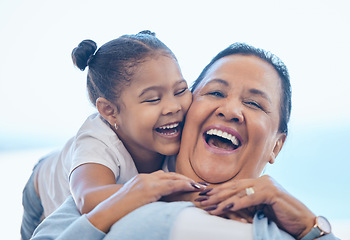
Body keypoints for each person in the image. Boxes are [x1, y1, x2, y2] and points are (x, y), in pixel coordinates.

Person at [31, 43, 340, 240]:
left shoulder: (283, 227)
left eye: (255, 104)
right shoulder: (125, 187)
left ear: (276, 146)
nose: (230, 110)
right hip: (46, 182)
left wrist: (311, 227)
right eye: (215, 92)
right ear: (190, 113)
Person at [20, 30, 206, 240]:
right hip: (42, 190)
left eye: (180, 91)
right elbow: (88, 200)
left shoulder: (184, 124)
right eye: (153, 99)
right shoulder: (97, 140)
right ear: (110, 111)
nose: (173, 107)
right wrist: (170, 196)